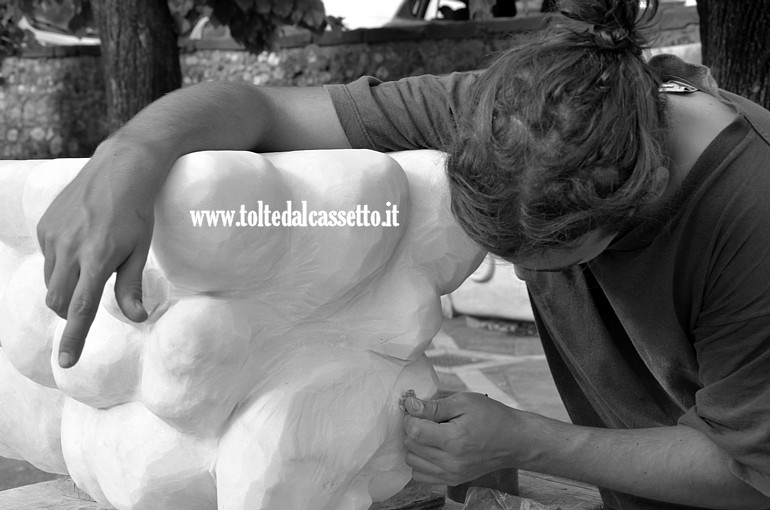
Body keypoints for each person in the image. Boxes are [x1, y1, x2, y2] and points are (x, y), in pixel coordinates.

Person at [36, 0, 770, 508]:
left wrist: (530, 441)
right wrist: (127, 157)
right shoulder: (520, 114)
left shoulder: (752, 215)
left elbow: (753, 473)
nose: (506, 271)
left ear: (638, 193)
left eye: (550, 258)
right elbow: (256, 109)